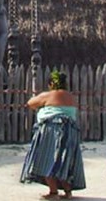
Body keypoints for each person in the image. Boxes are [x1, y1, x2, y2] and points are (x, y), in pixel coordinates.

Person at [20, 71, 85, 199]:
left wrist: (41, 102)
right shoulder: (71, 97)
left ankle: (53, 192)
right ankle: (67, 192)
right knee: (64, 161)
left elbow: (30, 103)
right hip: (69, 131)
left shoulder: (47, 95)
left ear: (51, 84)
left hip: (52, 130)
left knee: (47, 159)